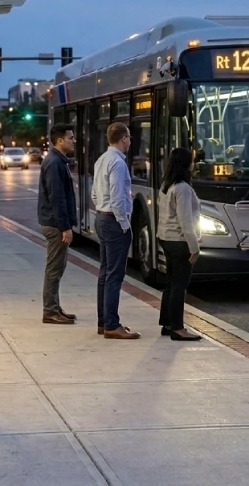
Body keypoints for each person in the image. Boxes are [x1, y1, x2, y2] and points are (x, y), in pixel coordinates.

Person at [91, 122, 140, 340]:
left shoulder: (102, 159)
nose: (130, 141)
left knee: (104, 272)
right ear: (123, 139)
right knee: (114, 275)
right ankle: (112, 324)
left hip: (101, 217)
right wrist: (124, 224)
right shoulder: (118, 164)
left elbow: (94, 194)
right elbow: (119, 198)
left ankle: (104, 322)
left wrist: (103, 209)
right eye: (129, 137)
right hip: (113, 221)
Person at [156, 148, 202, 341]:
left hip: (166, 238)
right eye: (192, 161)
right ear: (186, 164)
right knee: (179, 285)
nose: (194, 164)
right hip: (179, 241)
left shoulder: (167, 185)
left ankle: (167, 323)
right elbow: (185, 221)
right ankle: (177, 327)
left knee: (170, 283)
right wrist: (194, 247)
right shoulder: (182, 188)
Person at [37, 123, 78, 325]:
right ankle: (50, 311)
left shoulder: (58, 161)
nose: (73, 140)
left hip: (55, 223)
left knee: (58, 268)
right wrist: (65, 227)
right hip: (55, 225)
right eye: (70, 137)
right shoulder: (54, 163)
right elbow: (57, 198)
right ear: (60, 140)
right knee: (54, 269)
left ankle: (55, 307)